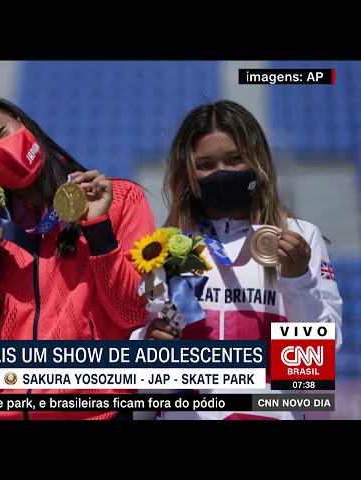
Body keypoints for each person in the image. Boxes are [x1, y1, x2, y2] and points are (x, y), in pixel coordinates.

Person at [0, 96, 156, 420]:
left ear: (21, 123)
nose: (2, 149)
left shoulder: (117, 200)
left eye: (1, 131)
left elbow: (131, 312)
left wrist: (97, 228)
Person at [131, 99, 343, 420]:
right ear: (188, 174)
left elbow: (316, 361)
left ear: (257, 162)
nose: (221, 173)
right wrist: (149, 346)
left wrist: (297, 279)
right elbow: (144, 375)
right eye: (206, 165)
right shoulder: (170, 247)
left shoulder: (299, 238)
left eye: (234, 160)